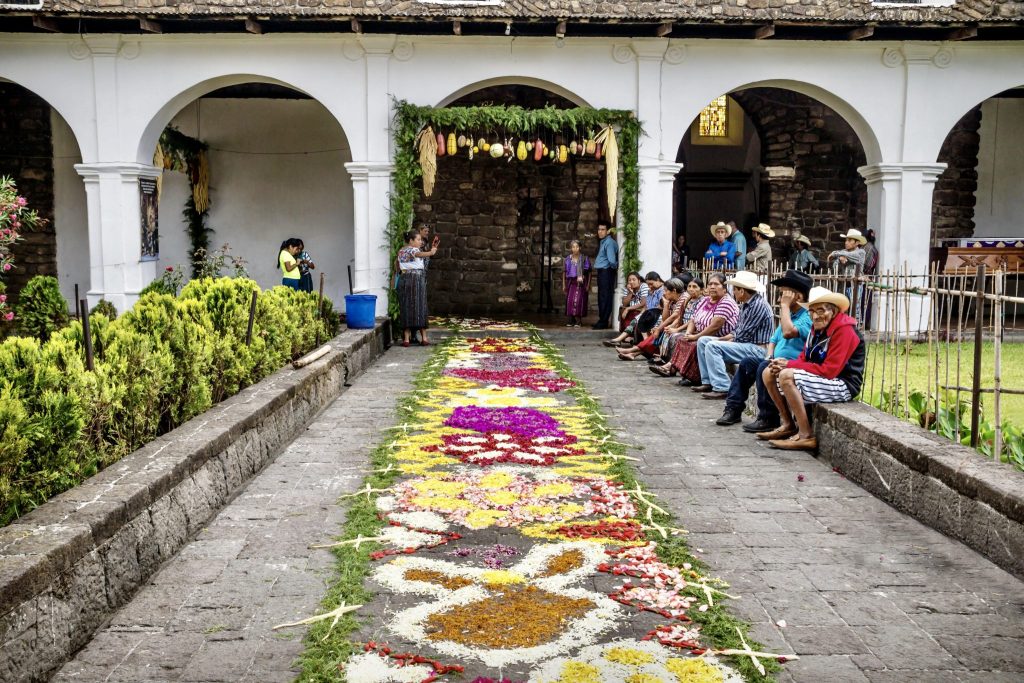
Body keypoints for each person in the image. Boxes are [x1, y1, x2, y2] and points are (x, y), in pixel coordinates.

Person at [759, 286, 865, 451]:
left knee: (787, 375)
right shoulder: (816, 329)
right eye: (812, 311)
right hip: (824, 378)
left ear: (834, 311)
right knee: (768, 373)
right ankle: (788, 424)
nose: (815, 316)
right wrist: (782, 363)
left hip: (843, 384)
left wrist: (789, 365)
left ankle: (806, 435)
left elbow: (829, 371)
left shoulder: (845, 331)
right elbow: (803, 358)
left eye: (821, 310)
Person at [715, 269, 813, 428]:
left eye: (784, 295)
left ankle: (768, 417)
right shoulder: (789, 315)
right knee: (747, 363)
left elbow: (788, 332)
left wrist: (785, 306)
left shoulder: (806, 316)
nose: (780, 298)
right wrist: (769, 356)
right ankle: (733, 408)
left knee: (763, 367)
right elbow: (773, 339)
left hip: (792, 365)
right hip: (776, 360)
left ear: (798, 296)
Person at [691, 271, 775, 399]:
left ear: (742, 291)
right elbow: (738, 329)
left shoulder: (758, 305)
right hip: (746, 344)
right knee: (703, 341)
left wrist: (728, 339)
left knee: (713, 346)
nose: (733, 293)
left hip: (758, 349)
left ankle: (722, 386)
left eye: (735, 290)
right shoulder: (747, 305)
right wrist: (729, 336)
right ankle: (708, 381)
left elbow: (744, 335)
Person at [660, 273, 738, 384]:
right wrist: (688, 333)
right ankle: (683, 372)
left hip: (719, 336)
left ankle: (694, 377)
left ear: (724, 289)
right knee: (682, 339)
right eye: (710, 284)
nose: (712, 286)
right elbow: (693, 319)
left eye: (716, 284)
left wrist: (695, 336)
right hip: (701, 333)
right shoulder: (705, 300)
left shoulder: (726, 302)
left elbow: (714, 327)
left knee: (696, 343)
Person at [616, 278, 686, 361]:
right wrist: (666, 305)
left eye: (666, 290)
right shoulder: (671, 300)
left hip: (681, 327)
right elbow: (665, 318)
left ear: (674, 291)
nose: (664, 293)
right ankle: (633, 354)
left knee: (660, 333)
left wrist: (659, 328)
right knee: (656, 332)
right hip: (672, 325)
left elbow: (674, 316)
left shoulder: (683, 297)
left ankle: (632, 351)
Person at [397, 229, 439, 347]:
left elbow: (397, 266)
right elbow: (418, 254)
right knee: (420, 306)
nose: (420, 242)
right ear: (411, 240)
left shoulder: (401, 250)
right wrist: (431, 252)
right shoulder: (413, 249)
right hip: (416, 279)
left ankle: (406, 339)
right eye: (418, 239)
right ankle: (424, 338)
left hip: (404, 279)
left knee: (406, 306)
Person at [604, 272, 648, 345]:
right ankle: (629, 337)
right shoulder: (627, 288)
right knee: (623, 309)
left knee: (628, 311)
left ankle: (625, 338)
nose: (631, 282)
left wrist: (628, 309)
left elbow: (643, 303)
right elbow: (624, 303)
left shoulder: (644, 286)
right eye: (629, 280)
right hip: (632, 310)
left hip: (642, 311)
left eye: (634, 280)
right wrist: (630, 293)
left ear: (639, 280)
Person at [593, 223, 619, 330]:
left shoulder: (609, 242)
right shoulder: (603, 242)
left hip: (606, 272)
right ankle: (601, 320)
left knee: (605, 296)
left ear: (608, 231)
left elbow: (612, 261)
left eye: (603, 229)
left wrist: (614, 267)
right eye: (599, 229)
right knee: (601, 296)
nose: (600, 232)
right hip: (602, 272)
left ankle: (603, 321)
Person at [563, 239, 592, 327]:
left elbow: (590, 272)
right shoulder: (568, 259)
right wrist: (564, 285)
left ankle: (578, 320)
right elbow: (564, 272)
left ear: (580, 248)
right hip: (571, 282)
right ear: (571, 248)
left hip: (581, 283)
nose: (575, 249)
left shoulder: (584, 258)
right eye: (573, 247)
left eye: (577, 247)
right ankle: (571, 320)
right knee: (570, 301)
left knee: (578, 301)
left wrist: (588, 285)